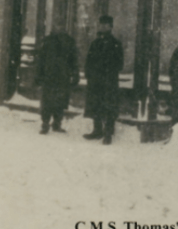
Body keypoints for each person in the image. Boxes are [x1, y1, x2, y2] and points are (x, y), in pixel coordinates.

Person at [83, 15, 124, 144]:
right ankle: (97, 130)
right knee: (96, 105)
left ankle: (108, 134)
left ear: (111, 27)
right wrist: (89, 74)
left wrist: (107, 70)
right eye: (101, 25)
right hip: (95, 81)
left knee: (109, 107)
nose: (103, 27)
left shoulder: (116, 44)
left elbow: (119, 64)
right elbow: (89, 61)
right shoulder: (95, 43)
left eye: (106, 25)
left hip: (108, 81)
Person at [35, 28, 79, 134]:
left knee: (60, 101)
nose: (59, 29)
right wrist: (38, 75)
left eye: (61, 26)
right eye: (57, 26)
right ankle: (45, 124)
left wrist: (75, 74)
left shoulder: (69, 42)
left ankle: (57, 123)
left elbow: (74, 60)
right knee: (47, 101)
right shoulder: (47, 41)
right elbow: (41, 60)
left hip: (63, 76)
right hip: (49, 76)